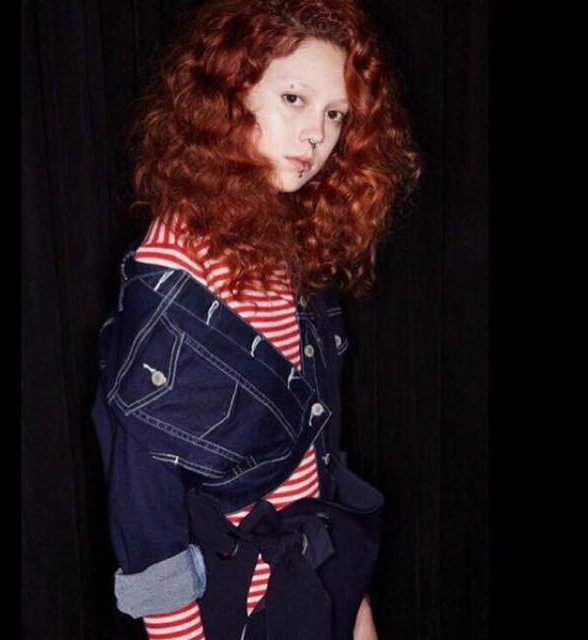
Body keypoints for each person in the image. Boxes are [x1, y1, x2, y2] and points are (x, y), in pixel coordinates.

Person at [92, 0, 421, 638]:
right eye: (295, 99)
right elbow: (145, 513)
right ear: (228, 94)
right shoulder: (172, 275)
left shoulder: (283, 243)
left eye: (335, 114)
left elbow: (315, 450)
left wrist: (352, 599)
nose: (316, 135)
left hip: (317, 581)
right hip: (241, 610)